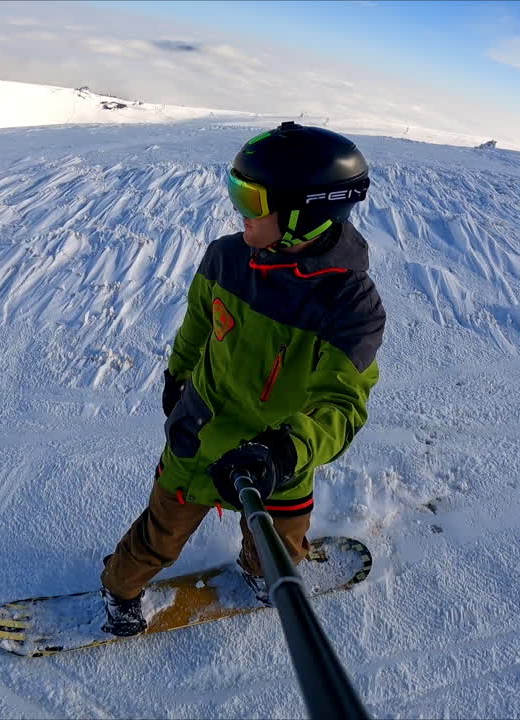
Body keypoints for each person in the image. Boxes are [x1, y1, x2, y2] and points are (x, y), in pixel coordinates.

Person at [99, 121, 386, 636]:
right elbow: (198, 324)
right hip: (203, 434)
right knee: (160, 536)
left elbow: (342, 405)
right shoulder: (227, 258)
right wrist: (178, 374)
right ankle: (119, 587)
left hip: (279, 456)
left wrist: (285, 450)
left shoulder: (351, 307)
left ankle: (261, 572)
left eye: (251, 199)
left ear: (305, 213)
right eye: (236, 192)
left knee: (281, 543)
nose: (239, 212)